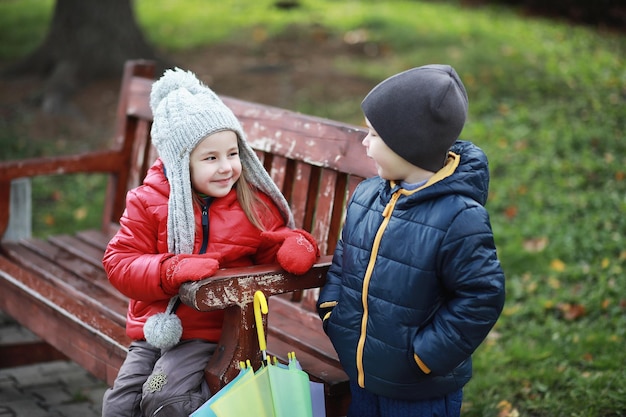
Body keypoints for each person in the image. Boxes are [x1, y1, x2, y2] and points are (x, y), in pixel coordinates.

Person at [101, 67, 319, 417]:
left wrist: (296, 245)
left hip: (212, 333)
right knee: (120, 404)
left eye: (232, 154)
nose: (226, 168)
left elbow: (273, 243)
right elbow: (119, 263)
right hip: (154, 332)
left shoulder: (249, 203)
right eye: (210, 158)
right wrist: (169, 270)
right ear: (179, 163)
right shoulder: (148, 201)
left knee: (161, 397)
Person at [316, 64, 505, 417]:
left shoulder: (459, 217)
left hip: (419, 392)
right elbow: (344, 263)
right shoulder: (367, 196)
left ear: (408, 144)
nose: (365, 143)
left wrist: (425, 356)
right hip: (363, 375)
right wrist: (332, 313)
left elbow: (482, 296)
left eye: (373, 135)